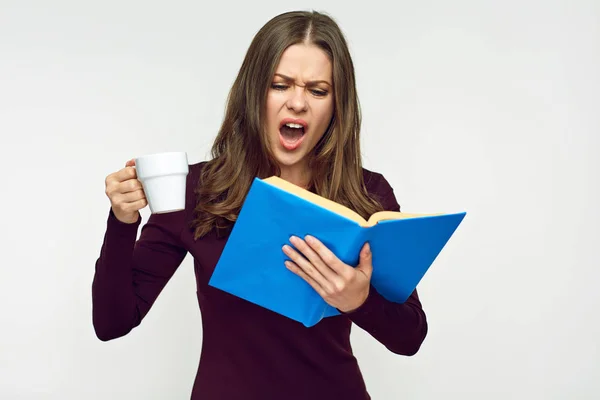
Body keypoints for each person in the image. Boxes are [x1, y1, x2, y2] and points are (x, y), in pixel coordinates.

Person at [93, 10, 427, 400]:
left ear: (337, 106)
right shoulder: (197, 189)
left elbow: (410, 336)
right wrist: (122, 221)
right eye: (280, 85)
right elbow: (112, 322)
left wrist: (360, 301)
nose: (298, 103)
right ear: (254, 92)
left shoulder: (366, 193)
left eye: (318, 90)